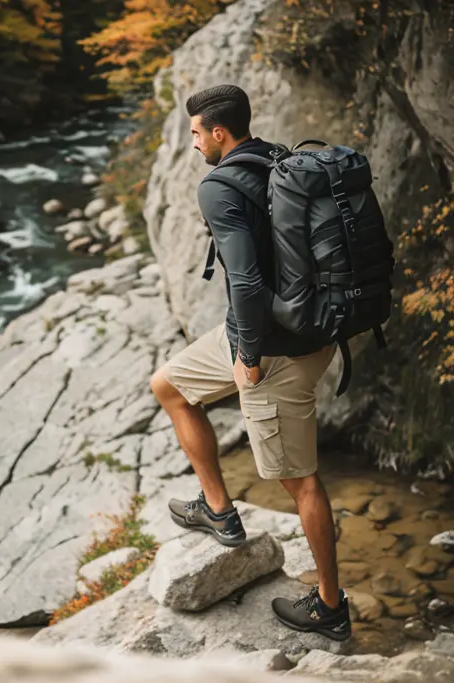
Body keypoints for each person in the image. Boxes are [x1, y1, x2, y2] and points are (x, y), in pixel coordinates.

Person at [148, 84, 352, 641]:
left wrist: (249, 357)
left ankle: (330, 607)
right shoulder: (281, 159)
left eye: (195, 133)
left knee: (301, 484)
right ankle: (219, 509)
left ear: (219, 133)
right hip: (311, 329)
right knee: (168, 385)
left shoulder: (218, 185)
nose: (192, 144)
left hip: (272, 351)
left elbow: (245, 279)